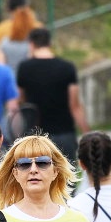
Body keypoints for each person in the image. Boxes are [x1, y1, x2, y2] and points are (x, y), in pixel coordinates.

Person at [15, 28, 87, 162]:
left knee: (37, 174)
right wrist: (87, 134)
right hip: (64, 134)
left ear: (31, 44)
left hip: (35, 137)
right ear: (50, 43)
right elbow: (75, 106)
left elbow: (20, 100)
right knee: (66, 174)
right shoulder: (67, 67)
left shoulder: (24, 68)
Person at [0, 0, 40, 77]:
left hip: (8, 75)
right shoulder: (37, 27)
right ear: (27, 8)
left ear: (8, 9)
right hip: (33, 75)